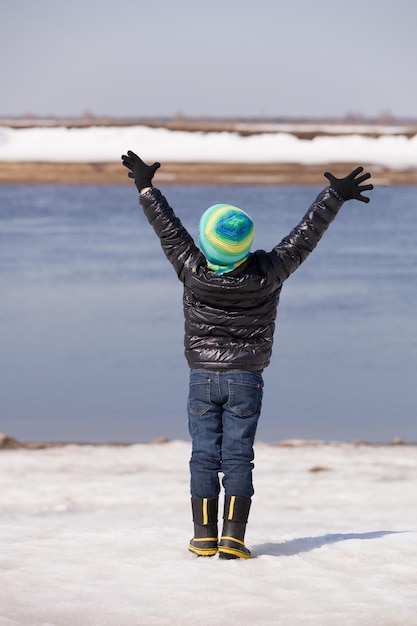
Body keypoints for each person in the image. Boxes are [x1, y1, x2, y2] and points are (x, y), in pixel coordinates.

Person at [121, 151, 373, 559]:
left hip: (202, 376)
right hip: (246, 379)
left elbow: (167, 229)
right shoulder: (268, 271)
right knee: (239, 457)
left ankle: (204, 537)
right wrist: (335, 196)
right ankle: (233, 539)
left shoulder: (190, 267)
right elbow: (304, 236)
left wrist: (146, 187)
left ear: (205, 243)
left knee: (203, 456)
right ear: (245, 245)